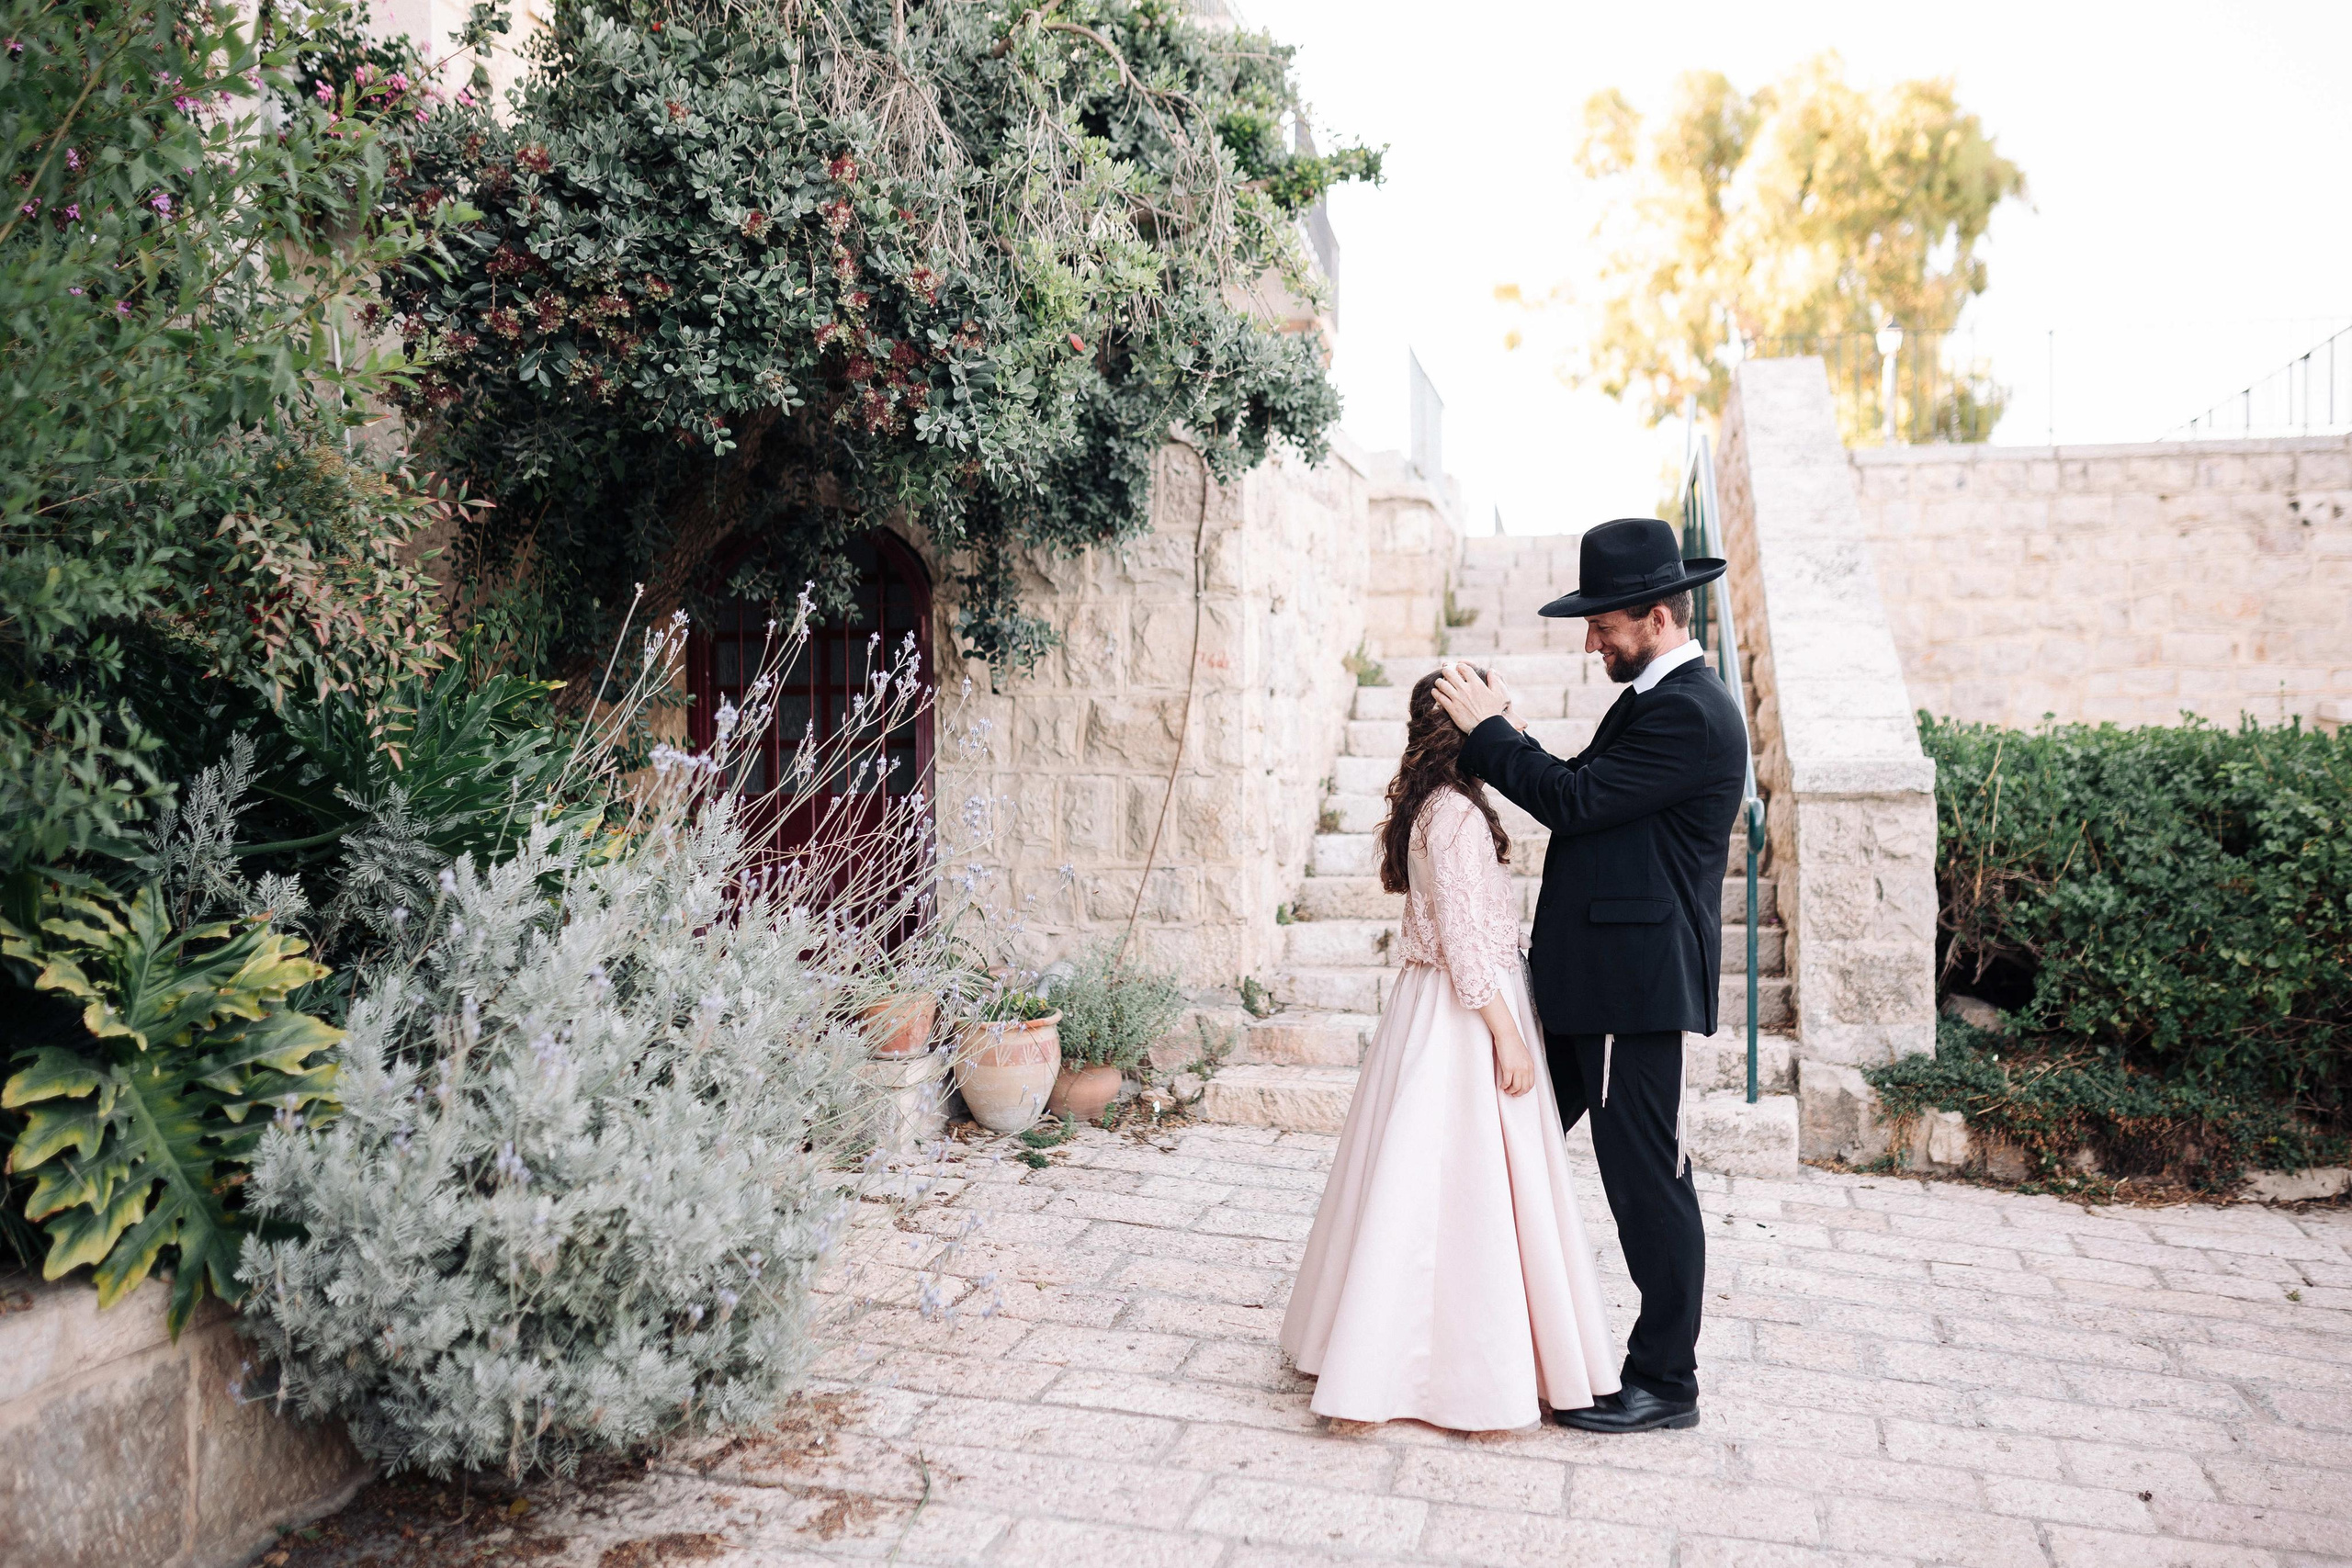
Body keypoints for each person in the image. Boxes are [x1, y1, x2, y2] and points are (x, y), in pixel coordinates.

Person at [1430, 515, 1747, 1435]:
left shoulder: (1689, 709)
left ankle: (1664, 1383)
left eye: (1603, 622)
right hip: (1596, 980)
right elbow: (1593, 792)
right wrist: (1516, 737)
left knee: (1646, 1181)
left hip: (1626, 988)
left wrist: (1489, 735)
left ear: (1655, 614)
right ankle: (1467, 1330)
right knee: (1507, 1138)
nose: (1590, 638)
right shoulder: (1655, 696)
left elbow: (1570, 801)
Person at [1279, 668, 1620, 1432]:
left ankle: (1382, 1344)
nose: (1513, 717)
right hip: (1468, 1014)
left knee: (1417, 1182)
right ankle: (1465, 1371)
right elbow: (1468, 944)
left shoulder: (1430, 806)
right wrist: (1507, 1034)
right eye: (1499, 709)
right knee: (1467, 1188)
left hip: (1428, 1006)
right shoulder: (1458, 818)